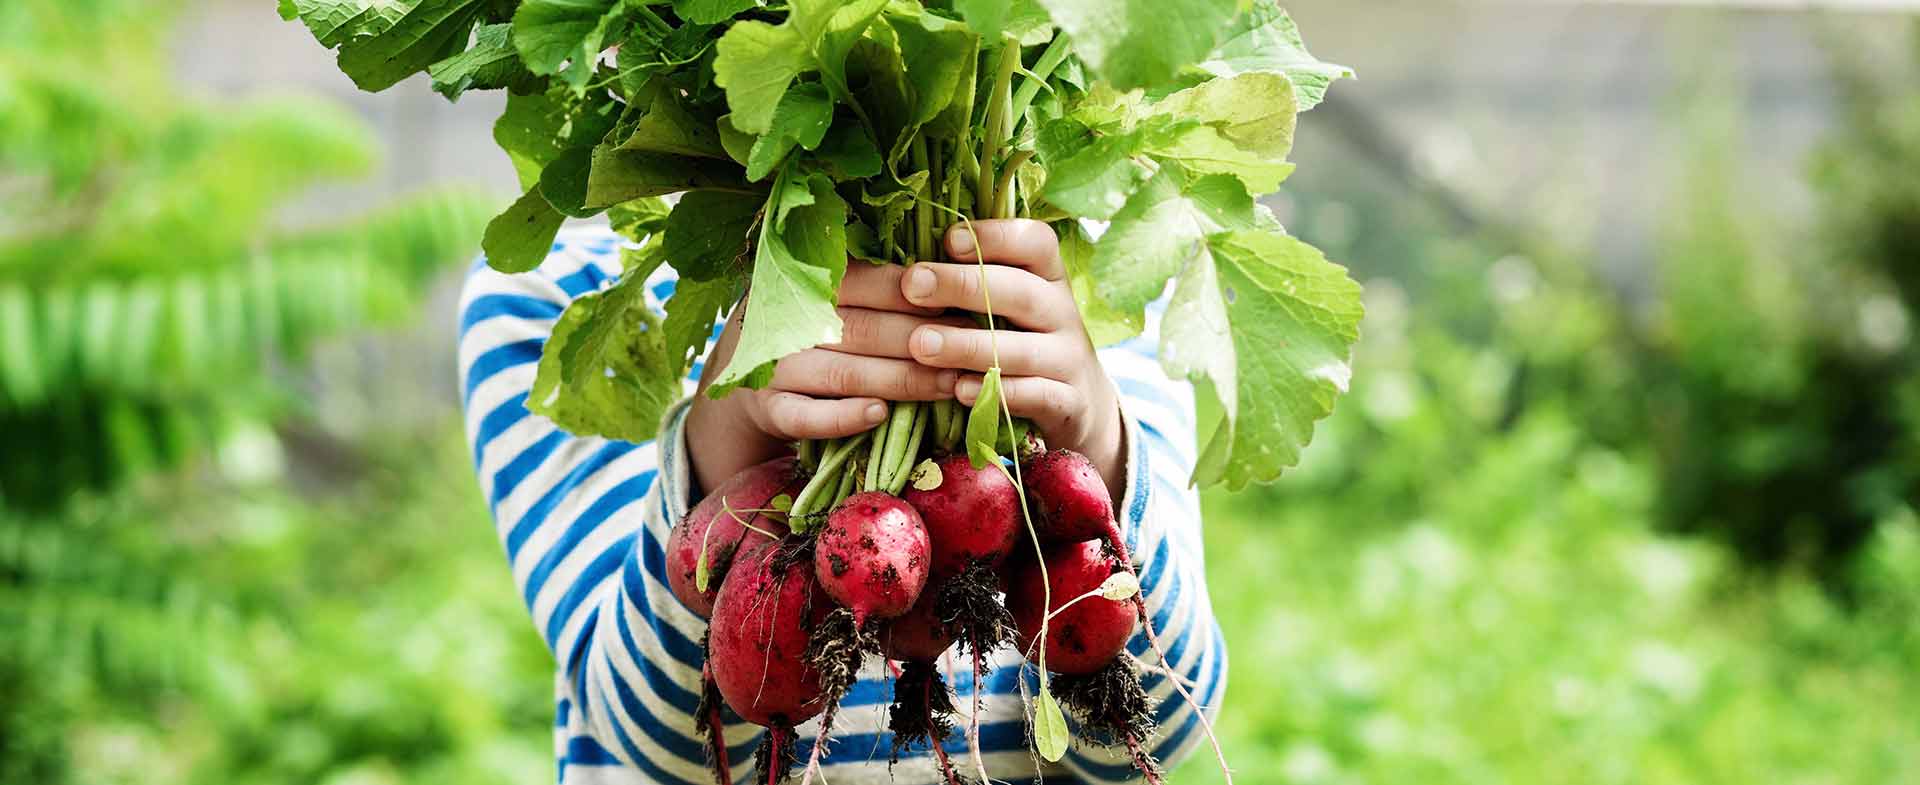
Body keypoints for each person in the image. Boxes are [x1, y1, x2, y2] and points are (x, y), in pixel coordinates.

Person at [458, 218, 1225, 784]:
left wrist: (1093, 433)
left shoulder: (1088, 278)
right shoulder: (564, 298)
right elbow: (656, 742)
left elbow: (1154, 733)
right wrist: (730, 419)